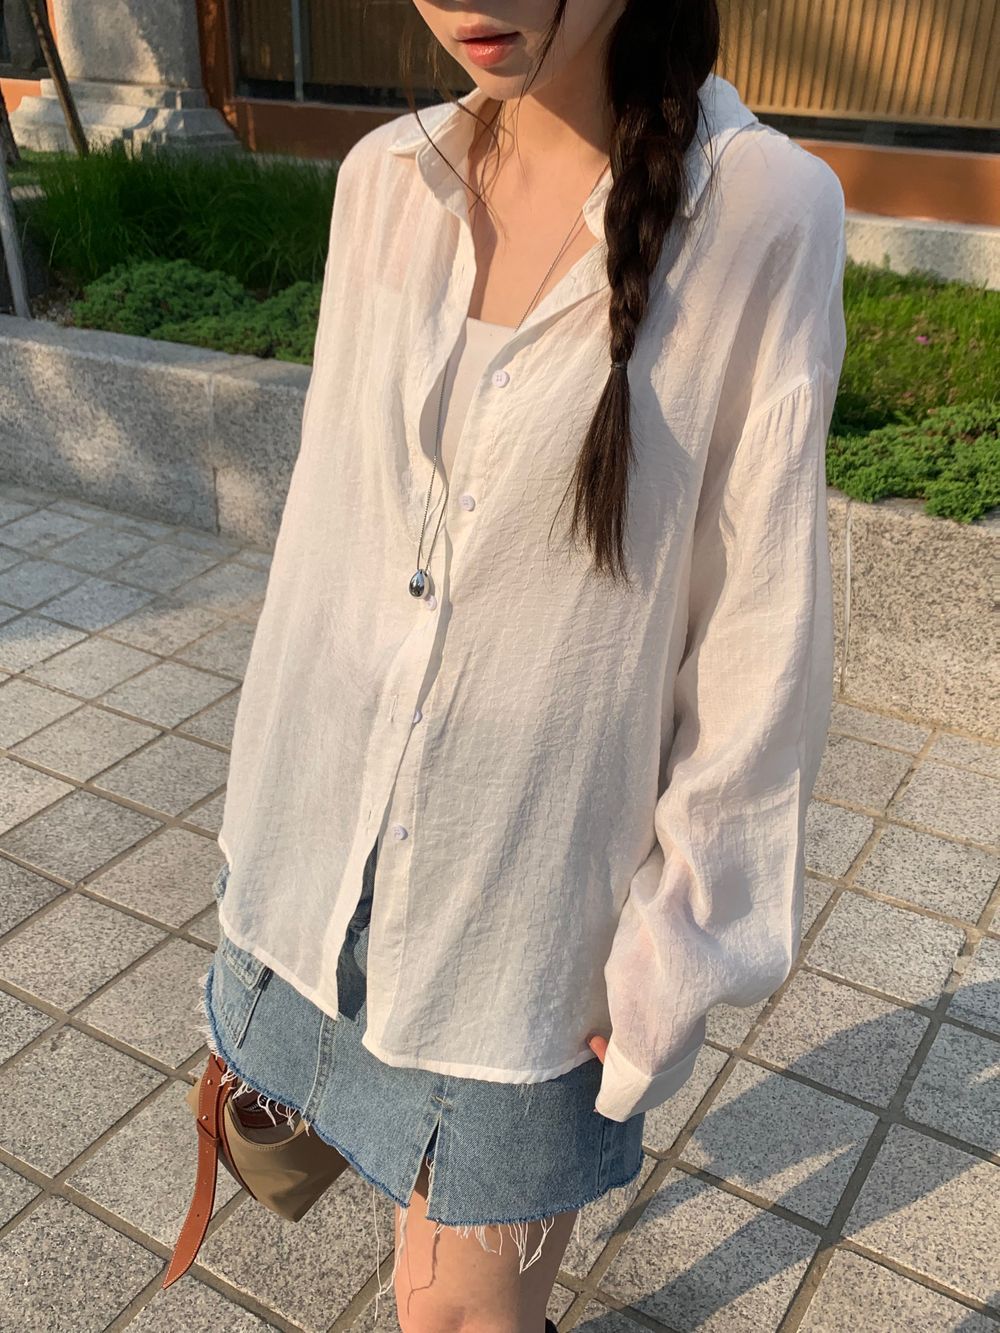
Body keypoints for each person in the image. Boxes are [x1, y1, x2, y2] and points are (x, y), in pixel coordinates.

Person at [195, 2, 847, 1329]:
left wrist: (679, 944)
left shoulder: (764, 213)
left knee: (454, 1314)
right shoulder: (384, 181)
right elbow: (327, 544)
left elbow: (759, 634)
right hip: (329, 869)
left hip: (531, 921)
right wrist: (265, 843)